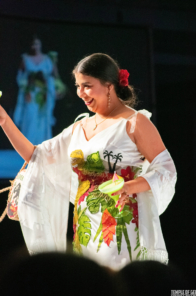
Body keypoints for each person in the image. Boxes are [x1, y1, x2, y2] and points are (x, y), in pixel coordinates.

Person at [0, 53, 177, 270]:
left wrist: (128, 186)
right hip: (84, 224)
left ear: (109, 85)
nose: (80, 93)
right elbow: (37, 156)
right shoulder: (80, 127)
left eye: (87, 86)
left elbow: (166, 169)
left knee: (119, 284)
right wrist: (4, 120)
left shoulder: (134, 122)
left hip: (120, 222)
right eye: (78, 86)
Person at [13, 37, 57, 144]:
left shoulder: (47, 59)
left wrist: (50, 88)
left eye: (37, 44)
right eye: (33, 44)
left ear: (40, 45)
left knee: (42, 118)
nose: (35, 46)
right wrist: (26, 88)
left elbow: (54, 76)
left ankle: (42, 145)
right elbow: (20, 77)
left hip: (43, 94)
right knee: (30, 115)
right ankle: (27, 144)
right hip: (30, 93)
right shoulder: (26, 58)